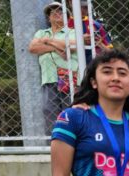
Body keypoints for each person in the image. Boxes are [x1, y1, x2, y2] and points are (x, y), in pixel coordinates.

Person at [29, 2, 78, 133]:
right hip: (49, 79)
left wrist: (48, 41)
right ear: (48, 18)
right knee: (49, 111)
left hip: (69, 79)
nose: (56, 13)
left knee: (70, 111)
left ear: (67, 17)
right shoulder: (41, 33)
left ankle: (73, 140)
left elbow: (72, 46)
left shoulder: (72, 32)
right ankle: (54, 140)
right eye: (53, 12)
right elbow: (33, 48)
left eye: (60, 11)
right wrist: (57, 48)